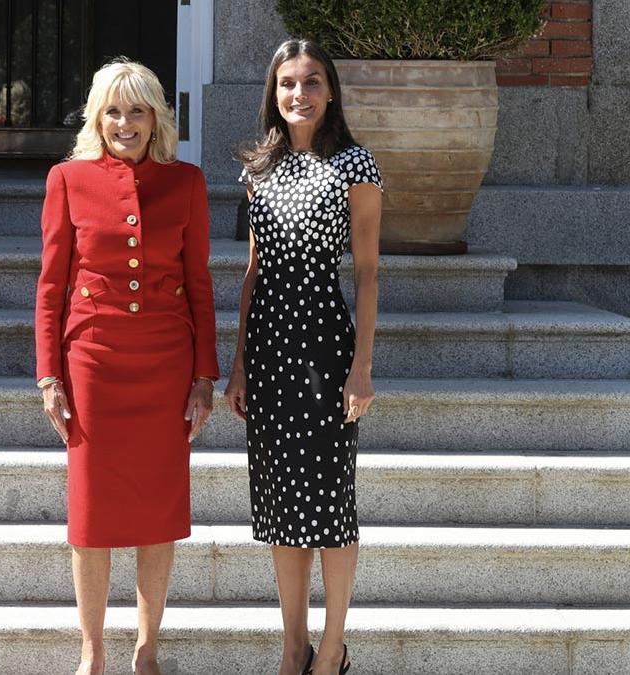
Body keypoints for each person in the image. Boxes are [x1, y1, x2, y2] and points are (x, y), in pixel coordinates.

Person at [34, 59, 218, 675]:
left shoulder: (185, 182)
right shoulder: (67, 179)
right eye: (113, 111)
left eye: (137, 110)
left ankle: (147, 649)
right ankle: (92, 651)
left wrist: (204, 378)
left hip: (166, 363)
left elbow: (199, 283)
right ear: (96, 117)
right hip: (93, 360)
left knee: (157, 508)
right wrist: (49, 376)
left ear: (156, 118)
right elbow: (51, 286)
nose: (124, 123)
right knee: (91, 510)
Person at [224, 39, 382, 675]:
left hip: (324, 348)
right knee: (281, 505)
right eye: (287, 83)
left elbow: (368, 275)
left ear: (330, 91)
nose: (299, 94)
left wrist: (362, 367)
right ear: (274, 92)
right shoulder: (259, 167)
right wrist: (236, 363)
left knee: (330, 504)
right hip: (267, 352)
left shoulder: (355, 166)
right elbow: (253, 274)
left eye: (311, 82)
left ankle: (334, 646)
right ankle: (293, 647)